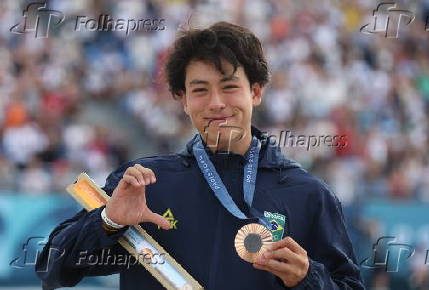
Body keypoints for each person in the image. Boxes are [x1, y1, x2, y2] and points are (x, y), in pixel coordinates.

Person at [36, 21, 365, 289]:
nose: (216, 102)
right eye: (200, 90)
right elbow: (51, 268)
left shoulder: (307, 194)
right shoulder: (145, 183)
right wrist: (109, 221)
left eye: (230, 86)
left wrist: (309, 280)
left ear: (256, 91)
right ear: (183, 99)